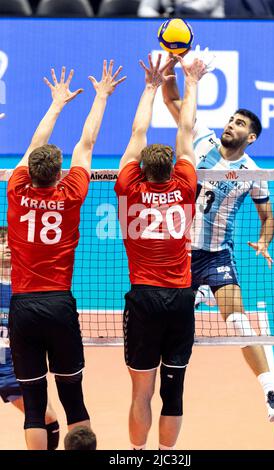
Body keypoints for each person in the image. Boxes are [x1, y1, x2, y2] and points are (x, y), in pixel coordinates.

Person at [161, 54, 274, 422]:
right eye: (231, 119)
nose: (231, 125)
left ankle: (271, 393)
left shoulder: (253, 172)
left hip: (217, 254)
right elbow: (171, 100)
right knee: (171, 324)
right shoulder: (200, 140)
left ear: (250, 138)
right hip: (180, 252)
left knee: (238, 321)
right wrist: (173, 66)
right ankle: (195, 294)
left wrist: (265, 241)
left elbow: (268, 218)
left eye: (239, 124)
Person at [7, 62, 126, 450]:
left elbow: (32, 147)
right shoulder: (71, 193)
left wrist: (56, 104)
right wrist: (102, 97)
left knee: (34, 407)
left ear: (30, 172)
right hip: (59, 304)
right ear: (59, 173)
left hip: (22, 307)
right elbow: (86, 145)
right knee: (74, 401)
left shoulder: (16, 188)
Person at [114, 53, 207, 450]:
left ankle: (137, 455)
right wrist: (192, 80)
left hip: (144, 300)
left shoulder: (128, 188)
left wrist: (150, 86)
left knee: (140, 393)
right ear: (173, 168)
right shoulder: (186, 184)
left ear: (140, 170)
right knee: (175, 392)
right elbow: (186, 129)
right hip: (180, 298)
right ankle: (167, 457)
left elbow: (138, 134)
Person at [0, 226, 60, 450]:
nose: (6, 246)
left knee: (47, 417)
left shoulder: (24, 285)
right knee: (42, 416)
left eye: (9, 241)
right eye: (1, 241)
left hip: (19, 365)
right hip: (4, 364)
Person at [138, 0, 224, 17]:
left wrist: (180, 8)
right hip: (173, 26)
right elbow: (145, 9)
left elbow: (207, 5)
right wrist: (161, 17)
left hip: (211, 26)